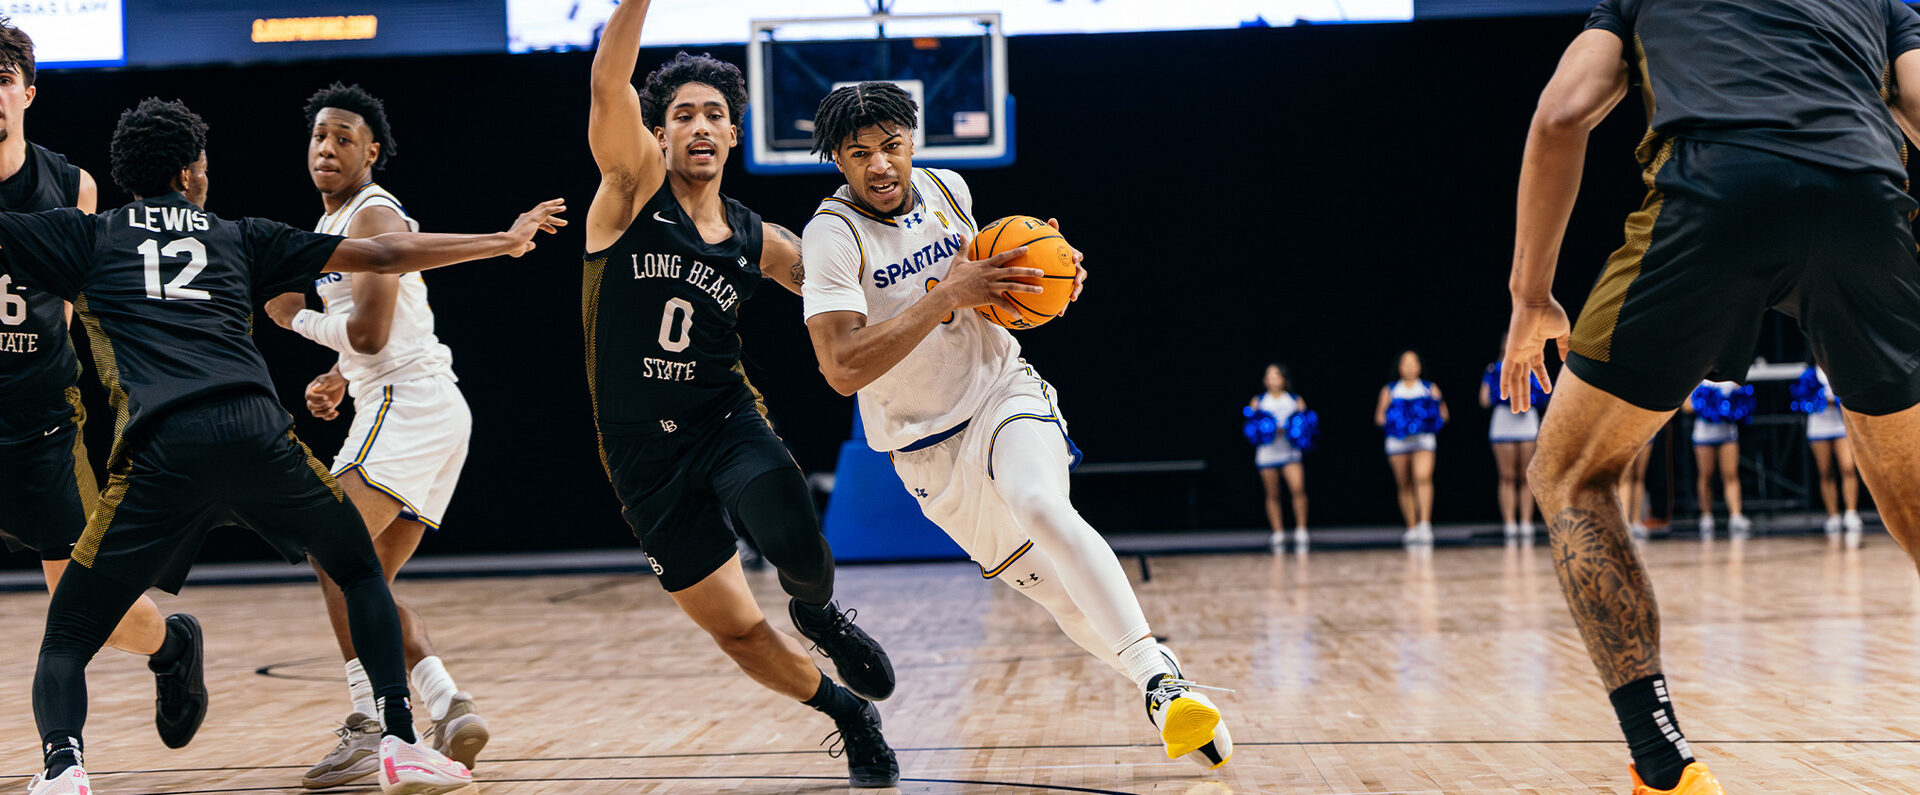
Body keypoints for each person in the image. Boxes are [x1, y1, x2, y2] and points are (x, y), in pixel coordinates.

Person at [4, 97, 563, 795]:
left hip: (160, 453)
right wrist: (502, 240)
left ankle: (64, 770)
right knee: (359, 571)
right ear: (191, 172)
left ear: (126, 173)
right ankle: (400, 739)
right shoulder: (240, 234)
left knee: (67, 633)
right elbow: (388, 254)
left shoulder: (84, 237)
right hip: (256, 437)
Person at [1501, 1, 1920, 791]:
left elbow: (1561, 115)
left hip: (1714, 193)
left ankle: (1664, 769)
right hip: (1863, 197)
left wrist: (1532, 296)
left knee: (1568, 473)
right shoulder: (1882, 3)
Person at [800, 80, 1233, 769]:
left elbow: (995, 282)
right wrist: (946, 296)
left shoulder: (949, 189)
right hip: (927, 451)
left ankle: (1160, 685)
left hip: (1001, 390)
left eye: (891, 145)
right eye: (860, 154)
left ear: (912, 141)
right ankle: (1162, 676)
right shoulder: (832, 236)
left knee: (1040, 503)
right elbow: (843, 368)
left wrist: (1051, 275)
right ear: (838, 161)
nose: (880, 164)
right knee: (1062, 599)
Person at [581, 2, 897, 787]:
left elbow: (846, 300)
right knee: (739, 633)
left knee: (793, 537)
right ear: (658, 133)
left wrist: (951, 295)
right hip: (639, 451)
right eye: (682, 113)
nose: (697, 125)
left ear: (733, 135)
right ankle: (847, 712)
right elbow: (607, 78)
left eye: (714, 115)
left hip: (724, 418)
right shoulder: (626, 193)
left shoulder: (760, 240)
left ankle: (820, 612)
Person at [258, 82, 488, 787]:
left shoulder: (373, 212)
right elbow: (368, 340)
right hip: (417, 404)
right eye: (319, 135)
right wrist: (339, 372)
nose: (327, 147)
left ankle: (372, 723)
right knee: (365, 579)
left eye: (344, 138)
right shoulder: (335, 225)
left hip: (408, 403)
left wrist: (293, 318)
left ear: (372, 152)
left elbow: (373, 331)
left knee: (332, 551)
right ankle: (449, 704)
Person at [0, 19, 207, 754]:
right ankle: (61, 754)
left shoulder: (70, 185)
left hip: (41, 424)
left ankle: (173, 646)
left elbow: (79, 305)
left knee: (85, 603)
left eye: (1, 78)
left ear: (28, 90)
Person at [1375, 350, 1446, 545]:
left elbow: (1443, 416)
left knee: (1422, 477)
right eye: (1405, 363)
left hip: (1423, 441)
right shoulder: (1390, 390)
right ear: (1399, 367)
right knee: (1404, 483)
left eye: (1413, 362)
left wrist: (1429, 409)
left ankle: (1425, 524)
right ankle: (1412, 526)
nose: (1409, 366)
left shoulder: (1429, 388)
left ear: (1419, 366)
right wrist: (1399, 420)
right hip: (1398, 443)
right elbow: (1379, 418)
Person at [1481, 336, 1542, 540]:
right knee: (1507, 476)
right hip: (1504, 422)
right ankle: (1509, 523)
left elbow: (1545, 393)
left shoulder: (1534, 365)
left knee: (1527, 475)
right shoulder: (1493, 369)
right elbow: (1483, 399)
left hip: (1526, 421)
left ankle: (1526, 522)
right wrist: (1499, 390)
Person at [1249, 363, 1307, 552]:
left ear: (1284, 379)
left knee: (1298, 488)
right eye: (1269, 376)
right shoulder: (1258, 401)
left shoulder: (1294, 400)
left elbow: (1306, 424)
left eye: (1276, 375)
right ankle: (1278, 531)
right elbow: (1251, 427)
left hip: (1289, 451)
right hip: (1268, 453)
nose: (1272, 379)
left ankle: (1301, 529)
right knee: (1272, 494)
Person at [1802, 366, 1863, 539]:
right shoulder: (1809, 374)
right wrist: (1821, 400)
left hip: (1840, 424)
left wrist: (1835, 400)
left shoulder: (1839, 368)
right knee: (1825, 471)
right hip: (1819, 427)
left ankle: (1851, 512)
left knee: (1848, 467)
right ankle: (1833, 515)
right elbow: (1801, 399)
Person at [1681, 381, 1749, 538]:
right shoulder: (1698, 377)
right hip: (1704, 435)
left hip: (1728, 433)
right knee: (1706, 475)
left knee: (1731, 474)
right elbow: (1686, 406)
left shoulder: (1731, 378)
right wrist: (1706, 403)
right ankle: (1706, 516)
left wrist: (1732, 404)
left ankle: (1736, 515)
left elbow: (1743, 400)